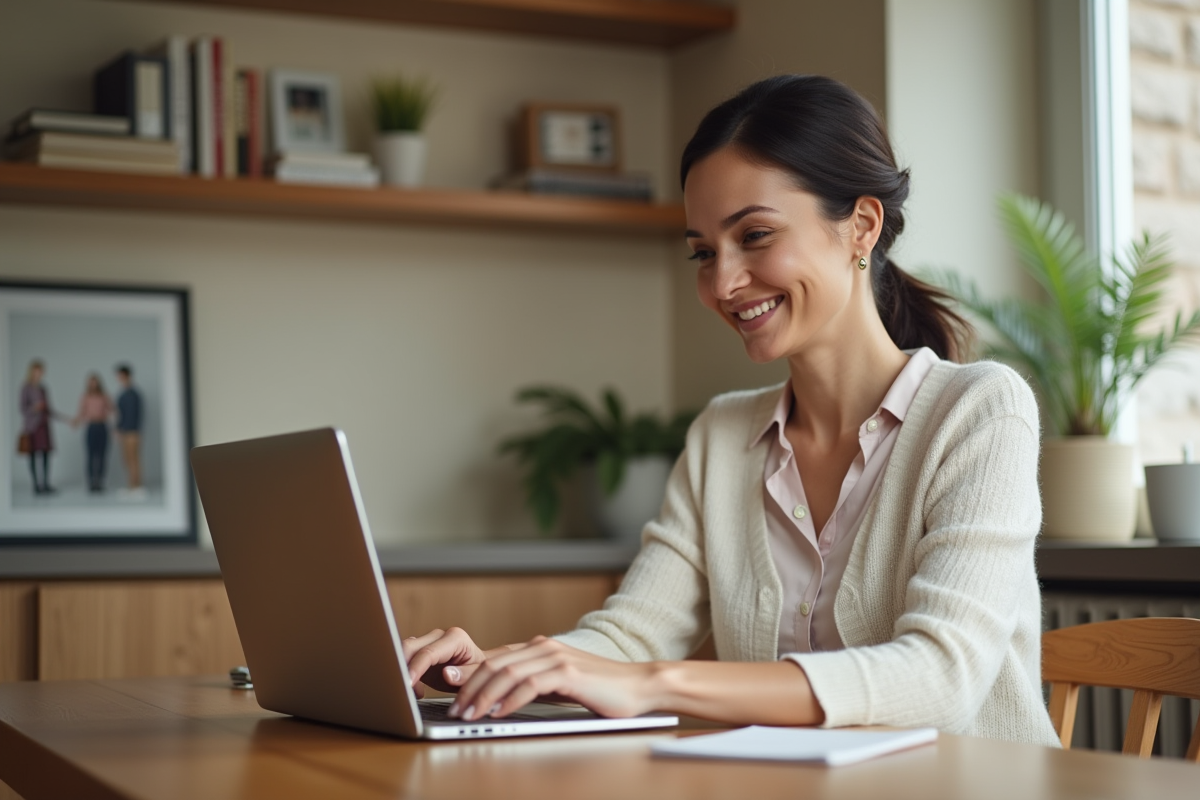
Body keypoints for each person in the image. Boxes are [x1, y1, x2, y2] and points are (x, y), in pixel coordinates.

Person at [401, 75, 1060, 746]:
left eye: (756, 235)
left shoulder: (978, 411)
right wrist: (507, 670)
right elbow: (632, 633)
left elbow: (940, 680)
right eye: (704, 252)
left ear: (862, 226)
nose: (722, 283)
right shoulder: (723, 435)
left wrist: (659, 684)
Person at [19, 359, 63, 495]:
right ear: (32, 372)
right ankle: (35, 486)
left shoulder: (43, 388)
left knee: (45, 456)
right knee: (33, 456)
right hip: (32, 427)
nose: (39, 373)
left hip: (44, 426)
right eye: (37, 371)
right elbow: (22, 408)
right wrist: (35, 408)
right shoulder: (26, 388)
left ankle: (45, 484)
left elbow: (49, 409)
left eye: (41, 371)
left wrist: (65, 419)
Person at [72, 373, 114, 493]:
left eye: (95, 381)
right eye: (91, 382)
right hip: (91, 427)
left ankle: (100, 481)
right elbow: (81, 412)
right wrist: (76, 421)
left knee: (102, 455)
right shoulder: (85, 396)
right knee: (90, 455)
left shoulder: (104, 396)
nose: (93, 384)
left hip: (102, 426)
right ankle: (91, 482)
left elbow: (112, 410)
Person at [114, 364, 144, 496]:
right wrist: (118, 429)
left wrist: (124, 429)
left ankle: (136, 487)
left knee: (133, 459)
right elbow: (120, 414)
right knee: (127, 459)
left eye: (120, 375)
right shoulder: (124, 393)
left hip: (132, 431)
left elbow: (132, 414)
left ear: (125, 375)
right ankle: (131, 485)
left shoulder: (133, 394)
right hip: (125, 431)